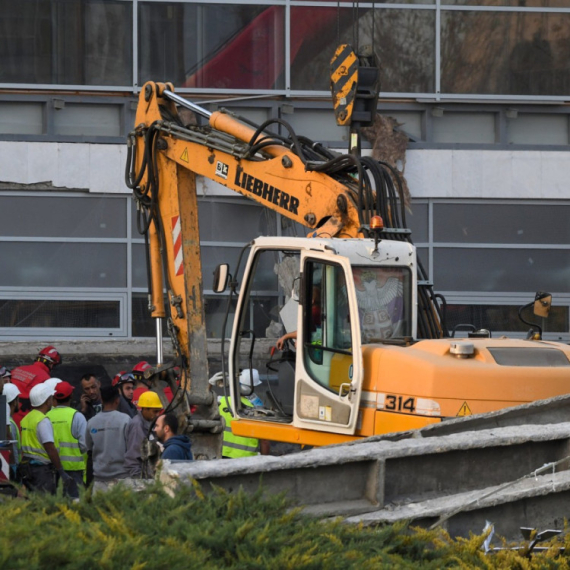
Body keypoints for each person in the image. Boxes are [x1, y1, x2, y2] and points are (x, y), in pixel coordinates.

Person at [19, 383, 77, 496]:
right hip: (41, 471)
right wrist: (61, 471)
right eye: (51, 398)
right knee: (44, 505)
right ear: (47, 401)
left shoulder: (26, 418)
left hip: (28, 468)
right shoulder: (42, 420)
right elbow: (50, 448)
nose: (52, 400)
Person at [85, 385, 130, 492]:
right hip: (122, 479)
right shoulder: (125, 420)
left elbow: (88, 447)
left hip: (100, 481)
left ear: (101, 399)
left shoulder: (91, 422)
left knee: (100, 508)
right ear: (117, 400)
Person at [215, 371, 269, 459]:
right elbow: (265, 441)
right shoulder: (259, 410)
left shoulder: (221, 401)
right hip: (246, 459)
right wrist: (264, 462)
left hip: (222, 454)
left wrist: (209, 384)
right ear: (253, 387)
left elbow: (202, 403)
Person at [46, 381, 86, 496]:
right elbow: (85, 445)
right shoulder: (77, 416)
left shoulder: (47, 416)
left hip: (51, 469)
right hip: (73, 470)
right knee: (74, 505)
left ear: (54, 397)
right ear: (71, 396)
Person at [11, 346, 62, 427]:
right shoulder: (45, 379)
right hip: (25, 418)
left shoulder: (17, 369)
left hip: (7, 414)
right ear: (51, 364)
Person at [124, 390, 162, 478]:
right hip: (140, 476)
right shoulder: (137, 425)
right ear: (145, 409)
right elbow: (133, 457)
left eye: (158, 411)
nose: (157, 414)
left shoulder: (149, 423)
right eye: (155, 411)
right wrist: (139, 480)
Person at [3, 383, 21, 479]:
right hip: (12, 466)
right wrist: (14, 467)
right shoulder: (10, 424)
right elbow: (11, 448)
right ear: (14, 402)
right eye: (18, 399)